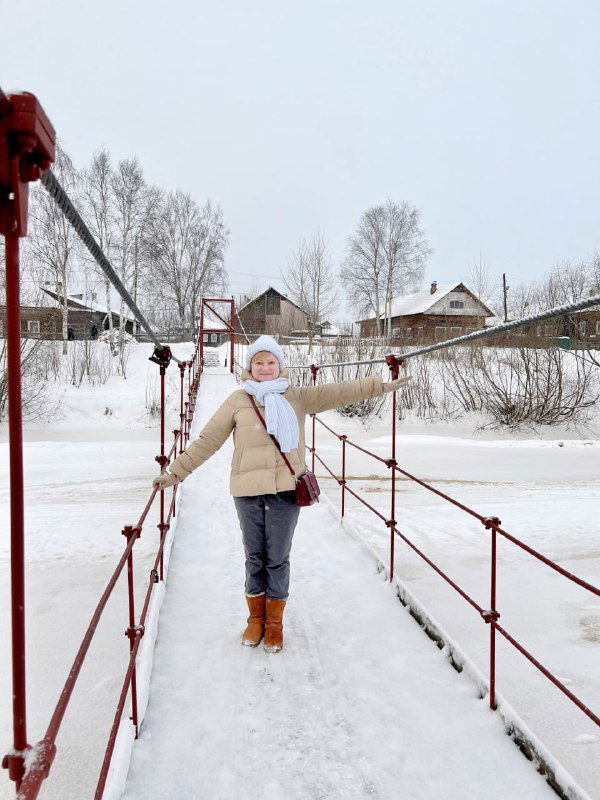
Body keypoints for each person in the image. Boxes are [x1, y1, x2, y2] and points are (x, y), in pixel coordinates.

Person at [152, 335, 411, 653]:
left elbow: (338, 392)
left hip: (285, 491)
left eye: (271, 362)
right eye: (258, 362)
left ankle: (274, 623)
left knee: (277, 559)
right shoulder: (237, 400)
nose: (264, 368)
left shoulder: (297, 396)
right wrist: (175, 473)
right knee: (254, 557)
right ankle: (255, 619)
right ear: (250, 367)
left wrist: (380, 385)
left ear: (280, 365)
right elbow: (208, 440)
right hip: (247, 492)